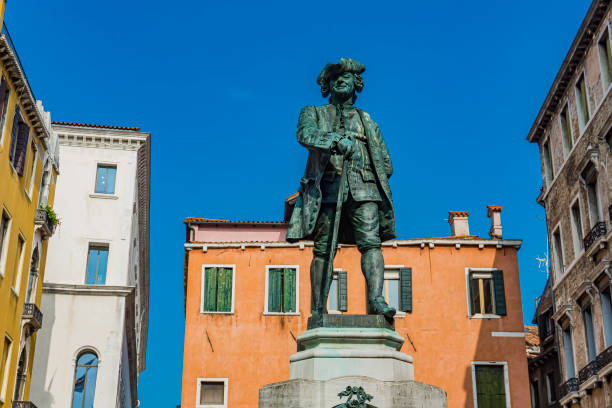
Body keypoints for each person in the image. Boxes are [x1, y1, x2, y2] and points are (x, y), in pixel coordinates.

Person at [287, 58, 397, 318]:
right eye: (335, 77)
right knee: (323, 248)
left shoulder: (367, 120)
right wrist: (336, 141)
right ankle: (318, 307)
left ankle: (377, 300)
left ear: (356, 84)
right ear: (327, 85)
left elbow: (387, 164)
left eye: (346, 77)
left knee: (372, 244)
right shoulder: (313, 112)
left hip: (364, 187)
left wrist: (367, 164)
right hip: (327, 188)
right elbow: (306, 135)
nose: (340, 80)